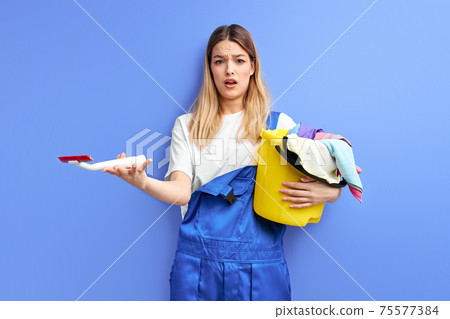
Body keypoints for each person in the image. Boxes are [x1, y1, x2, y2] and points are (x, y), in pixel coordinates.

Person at [102, 24, 341, 301]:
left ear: (252, 66)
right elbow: (181, 192)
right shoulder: (188, 126)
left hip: (261, 266)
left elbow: (334, 157)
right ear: (210, 68)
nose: (230, 70)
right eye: (220, 61)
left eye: (239, 60)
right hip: (197, 266)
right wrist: (142, 181)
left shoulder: (280, 127)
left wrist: (332, 192)